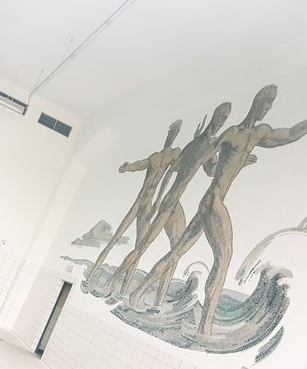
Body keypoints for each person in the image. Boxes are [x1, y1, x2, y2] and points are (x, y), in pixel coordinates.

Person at [127, 85, 307, 335]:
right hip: (214, 202)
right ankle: (205, 328)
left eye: (271, 104)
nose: (268, 108)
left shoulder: (254, 133)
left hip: (207, 201)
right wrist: (170, 195)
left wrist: (240, 164)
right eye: (266, 103)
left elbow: (290, 135)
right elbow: (204, 163)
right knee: (223, 260)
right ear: (256, 103)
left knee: (176, 252)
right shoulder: (237, 134)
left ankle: (136, 295)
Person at [98, 102, 232, 304]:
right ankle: (139, 294)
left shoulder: (193, 144)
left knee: (158, 248)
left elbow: (174, 172)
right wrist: (230, 161)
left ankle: (131, 291)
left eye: (225, 119)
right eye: (222, 118)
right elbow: (208, 171)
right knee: (163, 250)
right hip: (171, 202)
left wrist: (160, 199)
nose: (222, 123)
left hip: (170, 201)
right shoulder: (209, 144)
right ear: (215, 116)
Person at [81, 120, 182, 294]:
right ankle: (89, 278)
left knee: (138, 247)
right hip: (140, 201)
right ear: (168, 133)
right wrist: (127, 167)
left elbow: (175, 171)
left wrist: (158, 203)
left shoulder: (174, 155)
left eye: (176, 132)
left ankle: (123, 289)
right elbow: (139, 165)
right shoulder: (155, 157)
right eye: (171, 131)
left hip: (149, 206)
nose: (172, 135)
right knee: (115, 238)